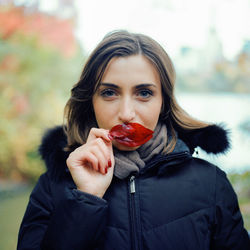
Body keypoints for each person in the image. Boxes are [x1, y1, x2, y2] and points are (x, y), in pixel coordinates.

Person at [17, 30, 250, 250]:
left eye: (144, 93)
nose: (127, 113)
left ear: (164, 102)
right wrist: (85, 199)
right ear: (90, 101)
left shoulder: (211, 185)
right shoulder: (52, 188)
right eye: (109, 93)